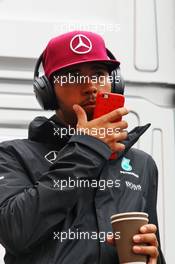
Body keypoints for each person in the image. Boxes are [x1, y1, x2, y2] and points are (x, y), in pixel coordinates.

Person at [0, 30, 165, 264]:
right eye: (72, 76)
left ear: (115, 82)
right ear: (47, 91)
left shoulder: (142, 164)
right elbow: (14, 231)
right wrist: (88, 148)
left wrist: (152, 258)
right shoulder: (13, 155)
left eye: (98, 74)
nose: (90, 87)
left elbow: (151, 250)